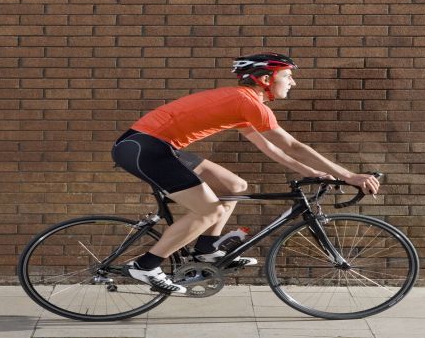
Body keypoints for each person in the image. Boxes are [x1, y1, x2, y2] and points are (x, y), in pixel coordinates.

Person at [110, 52, 381, 293]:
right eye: (287, 76)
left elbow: (271, 149)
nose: (293, 82)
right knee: (209, 210)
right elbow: (292, 146)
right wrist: (350, 176)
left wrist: (314, 173)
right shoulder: (248, 102)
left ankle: (206, 250)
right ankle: (146, 266)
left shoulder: (242, 102)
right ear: (265, 79)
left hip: (155, 147)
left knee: (235, 186)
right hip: (145, 148)